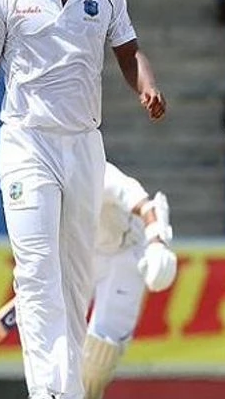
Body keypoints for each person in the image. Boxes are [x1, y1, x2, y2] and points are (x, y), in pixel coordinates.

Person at [0, 0, 167, 398]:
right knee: (36, 270)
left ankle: (65, 389)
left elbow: (129, 54)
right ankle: (47, 390)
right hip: (27, 144)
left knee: (74, 276)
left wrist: (145, 86)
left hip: (85, 145)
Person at [82, 162, 176, 399]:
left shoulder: (101, 173)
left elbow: (146, 207)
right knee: (56, 339)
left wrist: (157, 242)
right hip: (81, 256)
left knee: (100, 351)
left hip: (124, 253)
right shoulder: (45, 175)